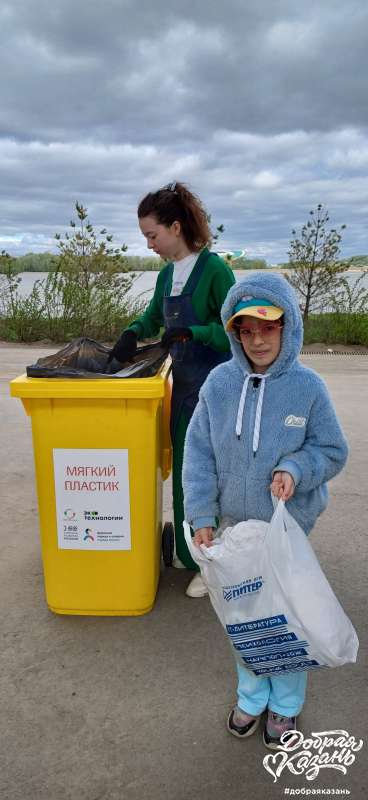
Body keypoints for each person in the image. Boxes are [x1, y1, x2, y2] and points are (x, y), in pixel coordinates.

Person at [182, 272, 348, 749]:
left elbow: (332, 450)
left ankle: (287, 706)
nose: (257, 339)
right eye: (245, 330)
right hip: (233, 531)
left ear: (288, 325)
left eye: (268, 327)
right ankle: (252, 697)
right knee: (246, 620)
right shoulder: (218, 384)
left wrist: (296, 468)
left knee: (286, 618)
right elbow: (199, 454)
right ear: (233, 332)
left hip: (286, 530)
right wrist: (203, 516)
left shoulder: (308, 387)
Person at [109, 182, 235, 596]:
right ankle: (188, 550)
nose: (149, 244)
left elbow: (236, 328)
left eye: (152, 235)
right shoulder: (167, 276)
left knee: (214, 477)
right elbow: (150, 320)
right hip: (183, 392)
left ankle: (214, 564)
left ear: (176, 227)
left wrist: (195, 331)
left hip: (216, 390)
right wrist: (131, 334)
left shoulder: (214, 270)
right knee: (186, 473)